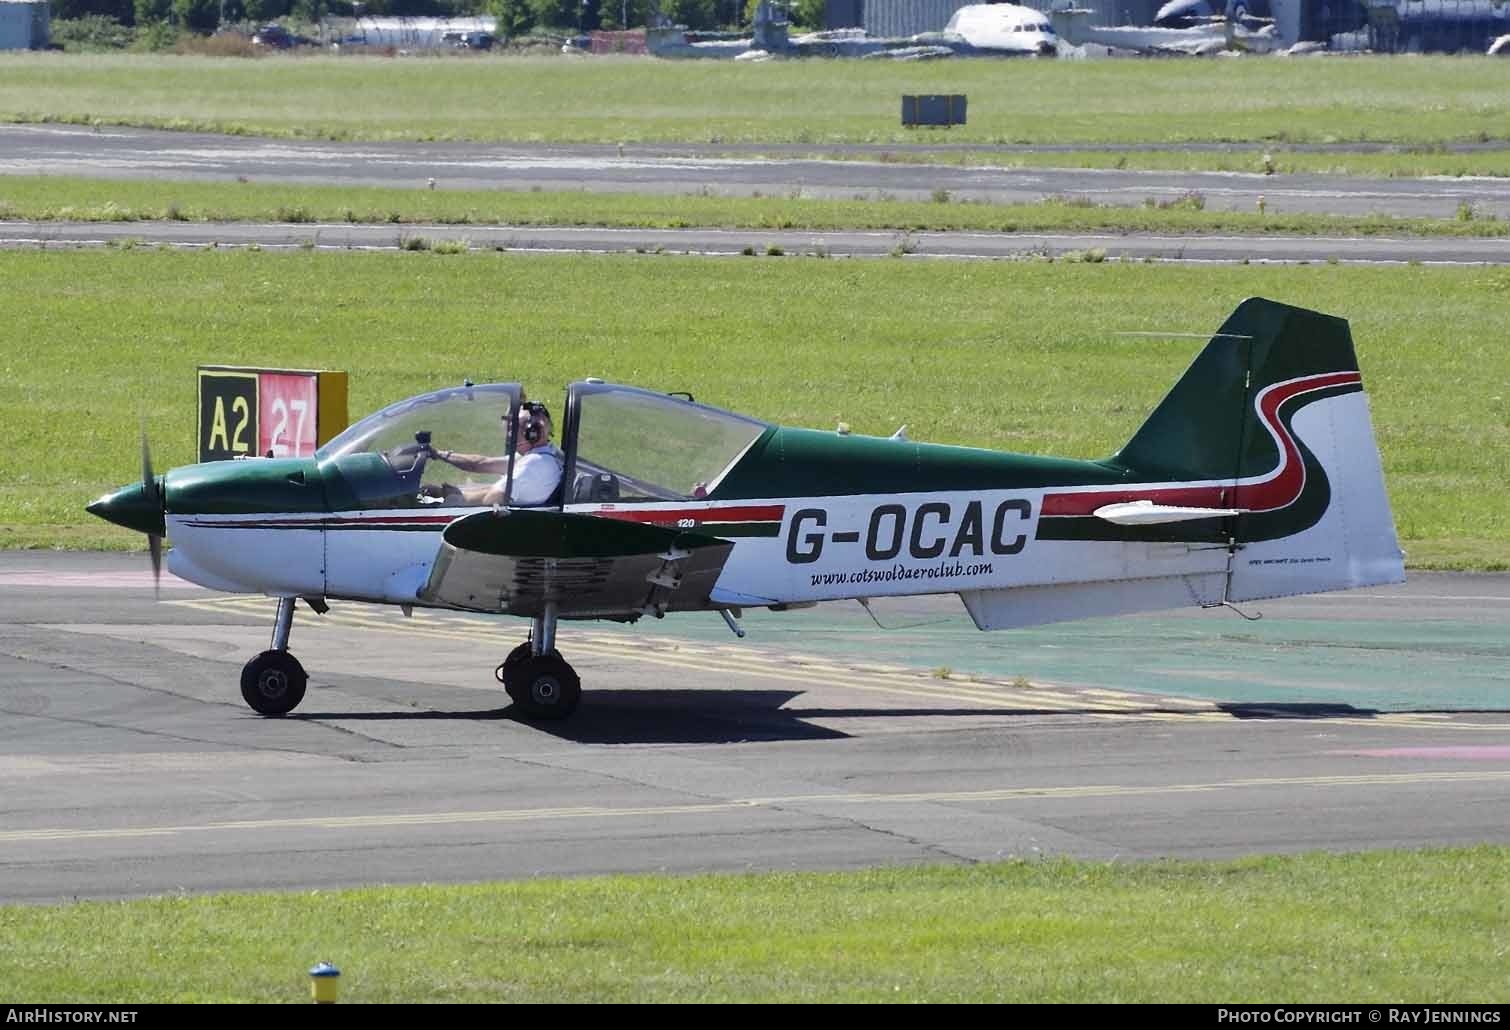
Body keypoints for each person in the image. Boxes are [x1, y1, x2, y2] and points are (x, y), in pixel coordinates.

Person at [429, 402, 564, 507]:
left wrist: (448, 496)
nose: (509, 434)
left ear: (531, 434)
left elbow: (492, 498)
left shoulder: (533, 464)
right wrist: (439, 454)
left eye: (513, 429)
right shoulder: (544, 454)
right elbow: (481, 463)